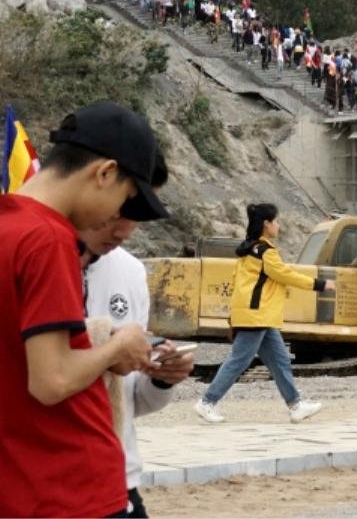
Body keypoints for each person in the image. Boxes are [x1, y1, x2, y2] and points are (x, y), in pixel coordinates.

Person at [1, 102, 169, 518]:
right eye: (124, 199)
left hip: (22, 484)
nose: (117, 216)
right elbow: (51, 380)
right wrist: (118, 347)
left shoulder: (8, 226)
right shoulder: (48, 238)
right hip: (73, 489)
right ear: (105, 173)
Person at [81, 152, 193, 518]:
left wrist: (161, 381)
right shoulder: (31, 258)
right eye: (120, 210)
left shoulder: (130, 272)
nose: (125, 229)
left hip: (119, 480)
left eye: (137, 217)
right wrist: (108, 345)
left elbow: (129, 403)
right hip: (51, 484)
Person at [195, 203, 335, 423]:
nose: (278, 226)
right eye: (276, 221)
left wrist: (234, 317)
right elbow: (285, 274)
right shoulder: (266, 252)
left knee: (279, 361)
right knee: (239, 361)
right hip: (257, 315)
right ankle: (207, 402)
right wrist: (319, 284)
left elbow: (238, 284)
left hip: (259, 316)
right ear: (266, 224)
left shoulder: (248, 250)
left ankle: (295, 405)